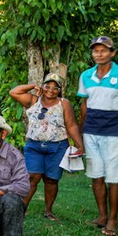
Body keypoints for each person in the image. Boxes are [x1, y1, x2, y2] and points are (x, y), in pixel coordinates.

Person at [77, 36, 118, 236]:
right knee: (96, 176)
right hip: (91, 132)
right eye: (96, 51)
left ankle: (112, 219)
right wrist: (80, 133)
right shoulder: (86, 76)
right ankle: (101, 215)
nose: (99, 54)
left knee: (113, 179)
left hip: (114, 134)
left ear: (112, 53)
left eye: (104, 50)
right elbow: (84, 105)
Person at [9, 73, 84, 220]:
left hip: (57, 146)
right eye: (47, 86)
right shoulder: (33, 100)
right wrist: (32, 86)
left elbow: (72, 125)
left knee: (51, 179)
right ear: (42, 86)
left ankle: (48, 210)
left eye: (55, 88)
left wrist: (79, 144)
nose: (50, 90)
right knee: (32, 177)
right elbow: (14, 92)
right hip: (34, 145)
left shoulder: (64, 103)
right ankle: (22, 209)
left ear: (60, 90)